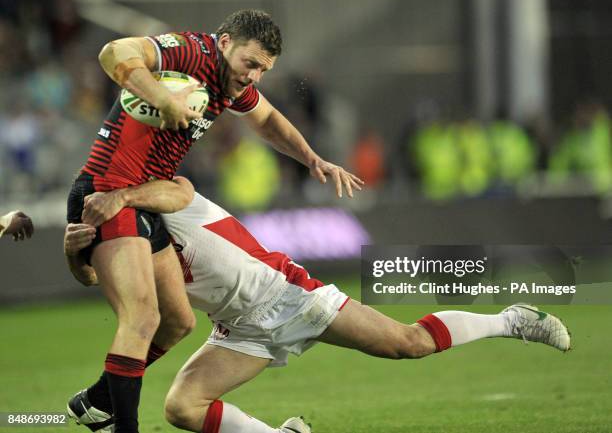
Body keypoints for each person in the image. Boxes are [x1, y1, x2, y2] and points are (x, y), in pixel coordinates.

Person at [65, 178, 571, 433]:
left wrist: (125, 196)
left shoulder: (160, 197)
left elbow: (183, 191)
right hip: (237, 329)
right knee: (181, 407)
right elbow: (96, 278)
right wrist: (76, 254)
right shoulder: (124, 240)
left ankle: (513, 319)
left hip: (289, 296)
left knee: (408, 344)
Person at [66, 9, 363, 433]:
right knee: (142, 319)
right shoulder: (192, 52)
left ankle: (97, 400)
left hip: (145, 199)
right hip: (108, 191)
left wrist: (312, 159)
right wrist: (163, 98)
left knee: (178, 322)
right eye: (251, 64)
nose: (255, 76)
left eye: (264, 69)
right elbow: (114, 51)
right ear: (225, 43)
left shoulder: (231, 82)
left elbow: (268, 120)